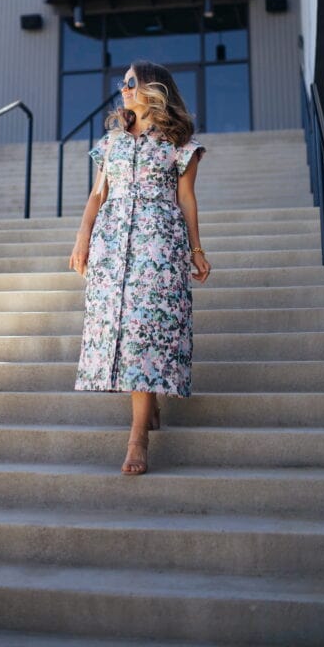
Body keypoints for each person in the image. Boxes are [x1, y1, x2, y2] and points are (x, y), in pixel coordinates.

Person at [69, 59, 211, 475]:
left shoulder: (178, 143)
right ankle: (146, 404)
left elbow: (186, 198)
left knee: (146, 329)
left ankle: (137, 439)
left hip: (158, 242)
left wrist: (196, 249)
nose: (123, 89)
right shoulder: (111, 141)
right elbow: (97, 194)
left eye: (131, 83)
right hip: (113, 242)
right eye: (122, 82)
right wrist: (83, 238)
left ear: (153, 88)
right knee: (122, 329)